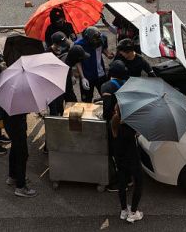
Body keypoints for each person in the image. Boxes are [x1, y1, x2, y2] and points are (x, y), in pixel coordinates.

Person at [108, 64, 143, 223]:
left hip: (119, 159)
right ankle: (134, 212)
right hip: (132, 160)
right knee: (139, 184)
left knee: (122, 184)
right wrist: (138, 132)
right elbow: (132, 138)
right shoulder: (129, 127)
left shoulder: (114, 123)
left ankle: (123, 210)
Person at [49, 41, 88, 116]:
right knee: (57, 112)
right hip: (55, 89)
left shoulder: (68, 58)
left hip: (66, 85)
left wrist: (72, 75)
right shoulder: (62, 65)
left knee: (74, 105)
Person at [4, 109, 36, 198]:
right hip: (16, 125)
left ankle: (12, 176)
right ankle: (20, 187)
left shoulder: (7, 97)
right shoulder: (17, 98)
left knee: (14, 149)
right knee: (22, 154)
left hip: (9, 123)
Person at [75, 26, 112, 102]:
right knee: (87, 100)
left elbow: (103, 48)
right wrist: (82, 78)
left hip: (101, 74)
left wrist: (108, 54)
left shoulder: (103, 38)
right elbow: (77, 62)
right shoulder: (79, 45)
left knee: (106, 96)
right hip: (87, 75)